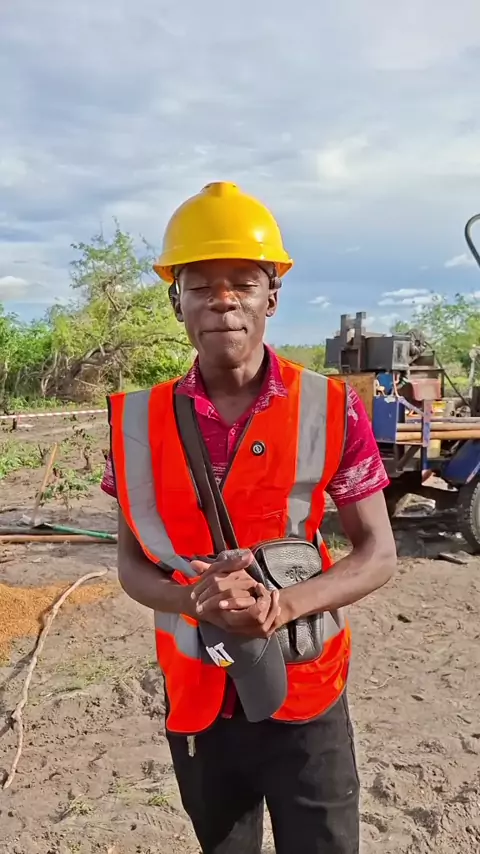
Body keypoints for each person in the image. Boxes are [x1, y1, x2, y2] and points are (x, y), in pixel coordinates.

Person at [102, 181, 397, 854]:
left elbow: (377, 552)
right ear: (176, 300)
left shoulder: (331, 407)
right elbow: (130, 565)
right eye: (201, 285)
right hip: (200, 694)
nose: (224, 300)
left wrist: (282, 605)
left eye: (243, 282)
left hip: (306, 688)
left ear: (272, 296)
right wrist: (192, 599)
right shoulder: (135, 422)